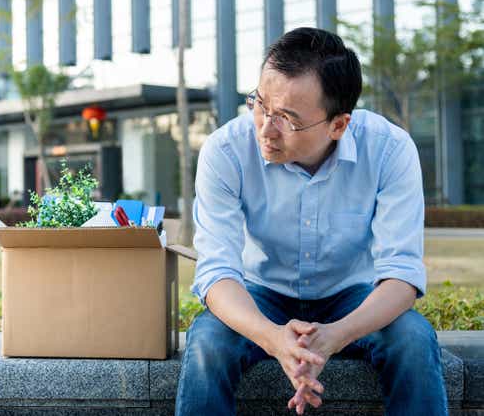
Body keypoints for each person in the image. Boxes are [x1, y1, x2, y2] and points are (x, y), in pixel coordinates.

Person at [175, 27, 448, 416]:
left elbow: (401, 276)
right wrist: (274, 339)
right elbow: (217, 272)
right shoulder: (226, 150)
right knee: (207, 344)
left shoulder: (389, 149)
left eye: (287, 118)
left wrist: (334, 337)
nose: (266, 130)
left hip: (354, 295)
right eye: (260, 104)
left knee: (413, 340)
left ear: (338, 125)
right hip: (261, 293)